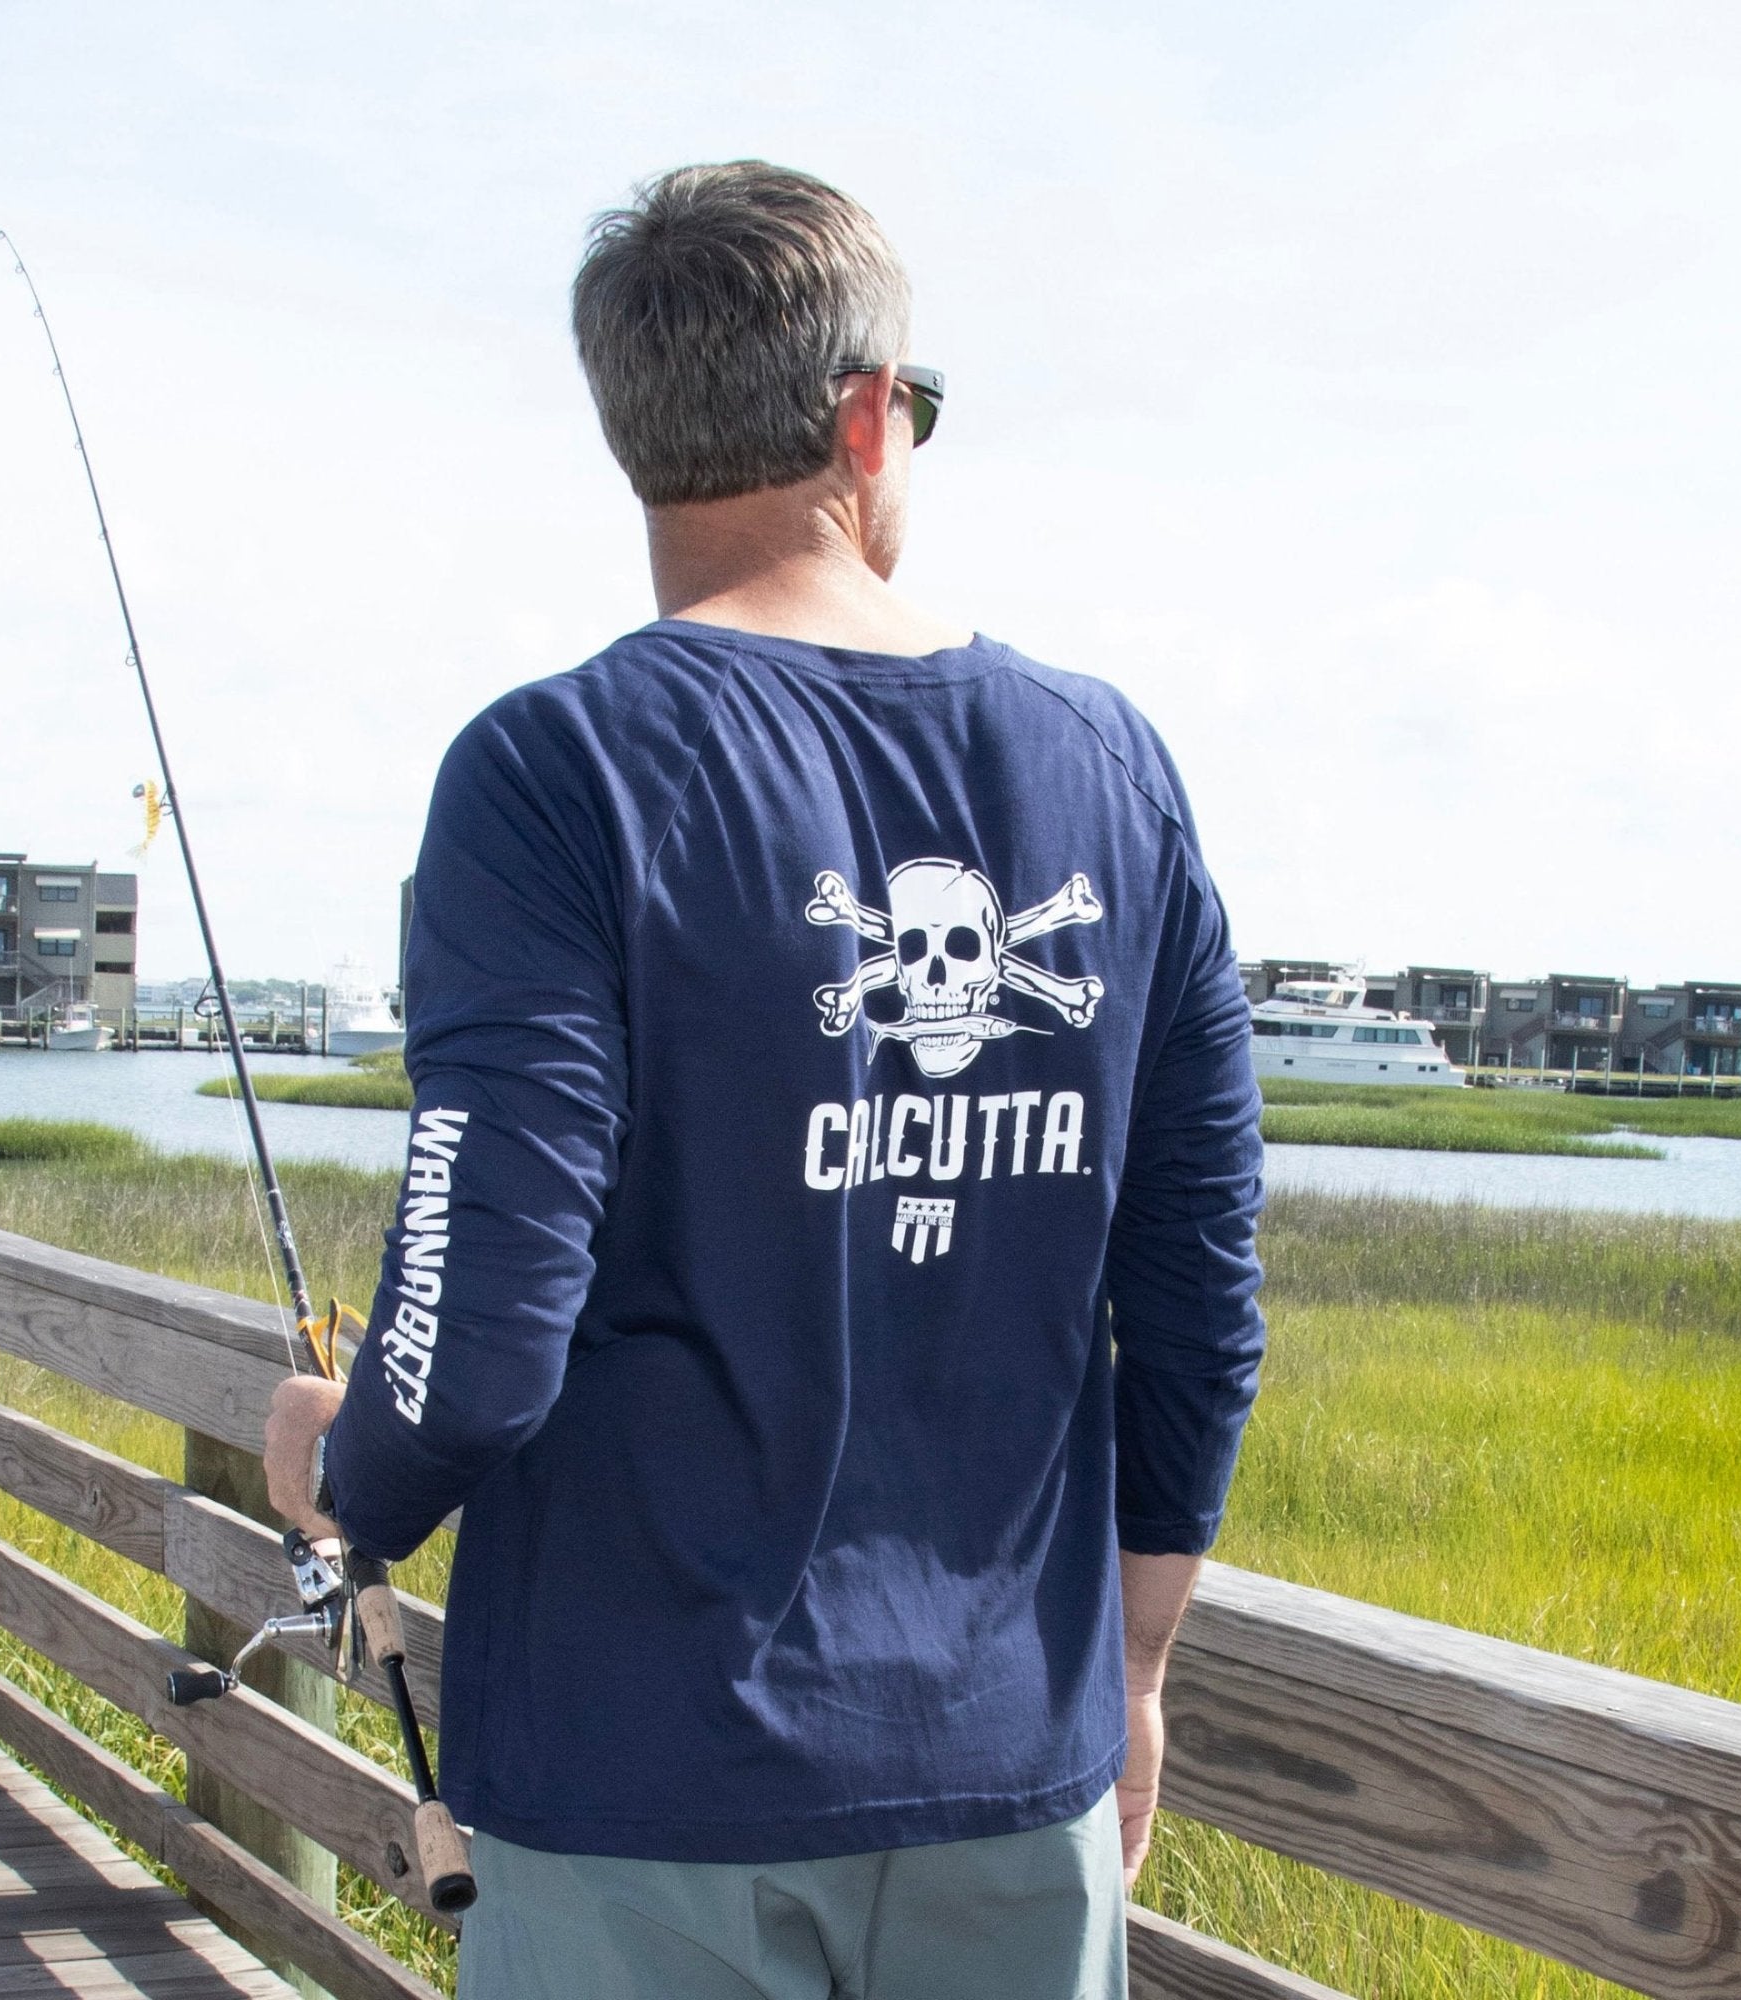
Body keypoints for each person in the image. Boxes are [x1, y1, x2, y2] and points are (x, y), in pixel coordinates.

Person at [264, 160, 1265, 2000]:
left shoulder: (551, 772)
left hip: (638, 1790)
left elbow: (476, 1327)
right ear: (870, 417)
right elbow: (1198, 1299)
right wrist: (1126, 1671)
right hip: (1008, 1779)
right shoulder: (1115, 771)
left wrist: (348, 1475)